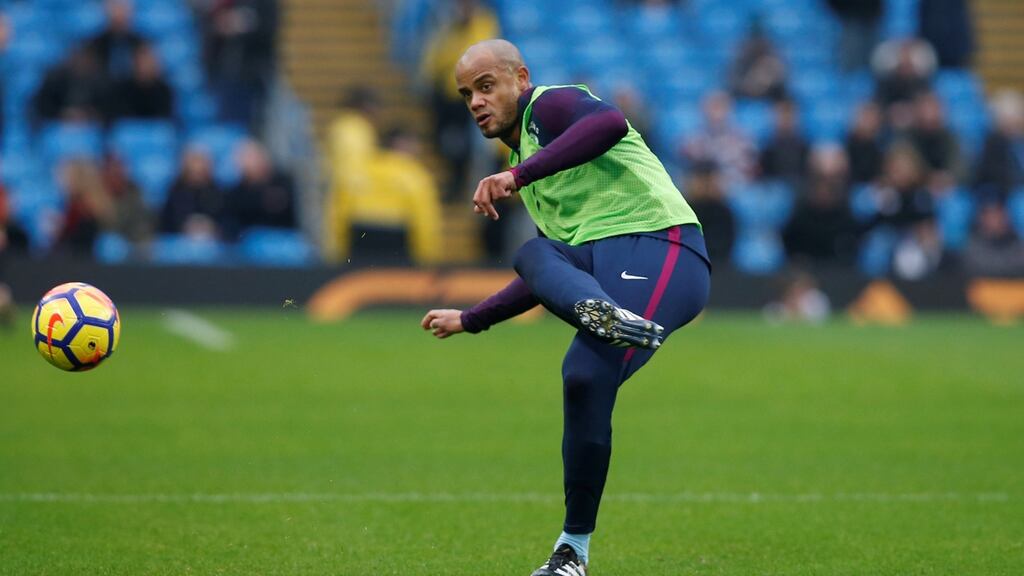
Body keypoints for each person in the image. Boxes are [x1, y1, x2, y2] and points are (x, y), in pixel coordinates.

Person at [420, 39, 710, 576]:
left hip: (662, 247)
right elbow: (544, 277)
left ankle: (604, 313)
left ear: (520, 79)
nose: (476, 102)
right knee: (558, 317)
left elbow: (611, 123)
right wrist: (471, 319)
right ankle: (572, 552)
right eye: (466, 94)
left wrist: (518, 176)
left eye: (486, 86)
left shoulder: (548, 106)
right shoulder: (524, 166)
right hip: (604, 273)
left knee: (543, 267)